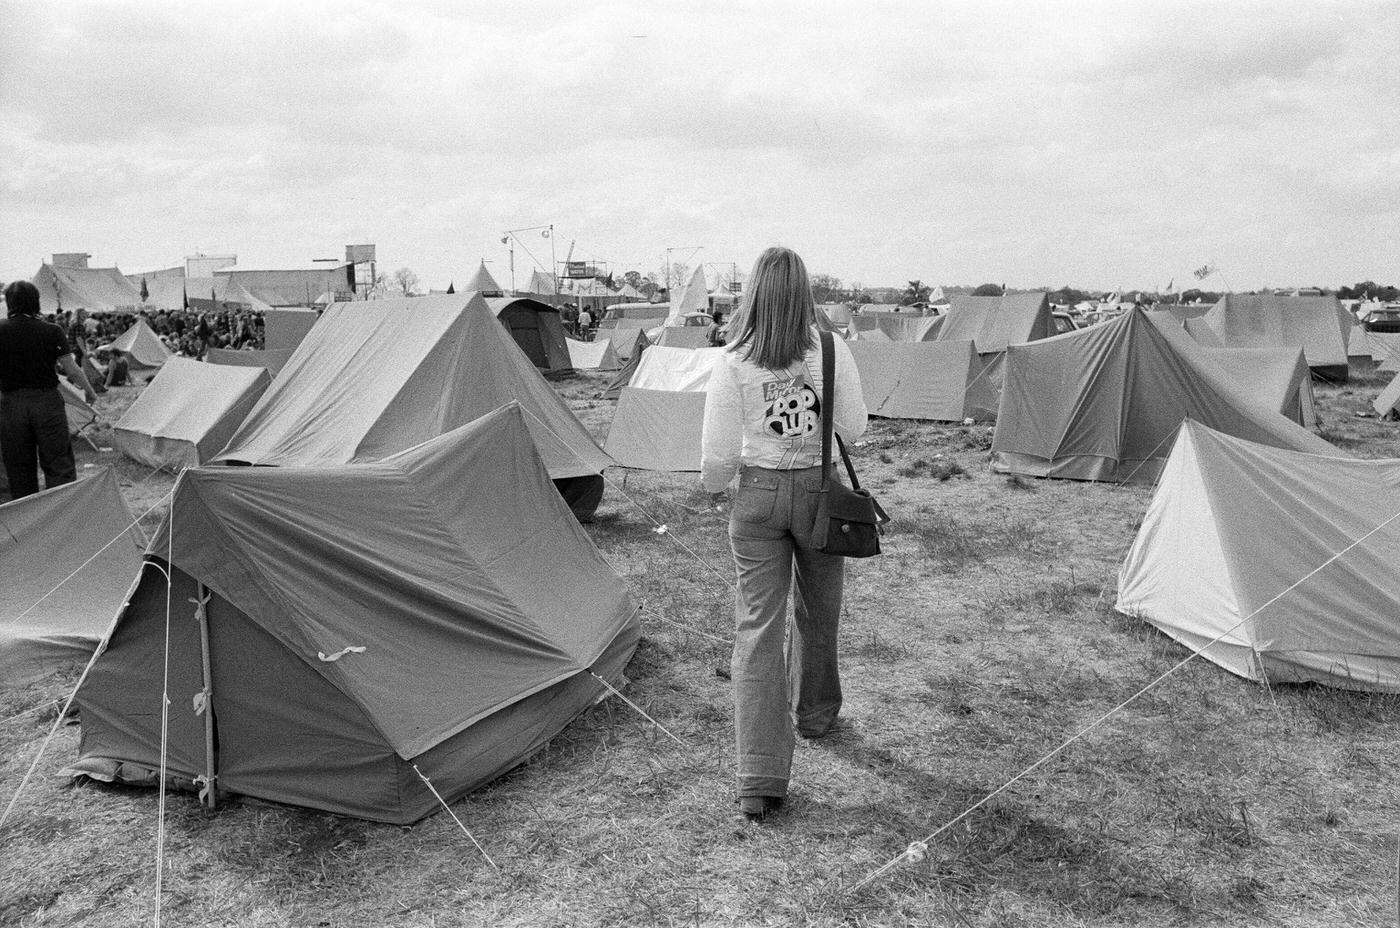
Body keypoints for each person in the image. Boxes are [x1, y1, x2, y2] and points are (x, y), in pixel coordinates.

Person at [700, 246, 868, 822]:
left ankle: (759, 778)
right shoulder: (829, 348)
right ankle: (816, 714)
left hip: (758, 494)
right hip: (819, 492)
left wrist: (719, 485)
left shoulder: (733, 359)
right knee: (820, 610)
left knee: (757, 628)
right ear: (804, 292)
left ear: (752, 294)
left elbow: (717, 458)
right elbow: (855, 426)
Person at [0, 281, 99, 500]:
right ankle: (60, 510)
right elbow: (72, 369)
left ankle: (25, 512)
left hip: (10, 404)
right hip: (46, 402)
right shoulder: (52, 330)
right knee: (58, 462)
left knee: (18, 466)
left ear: (9, 303)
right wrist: (90, 392)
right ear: (36, 302)